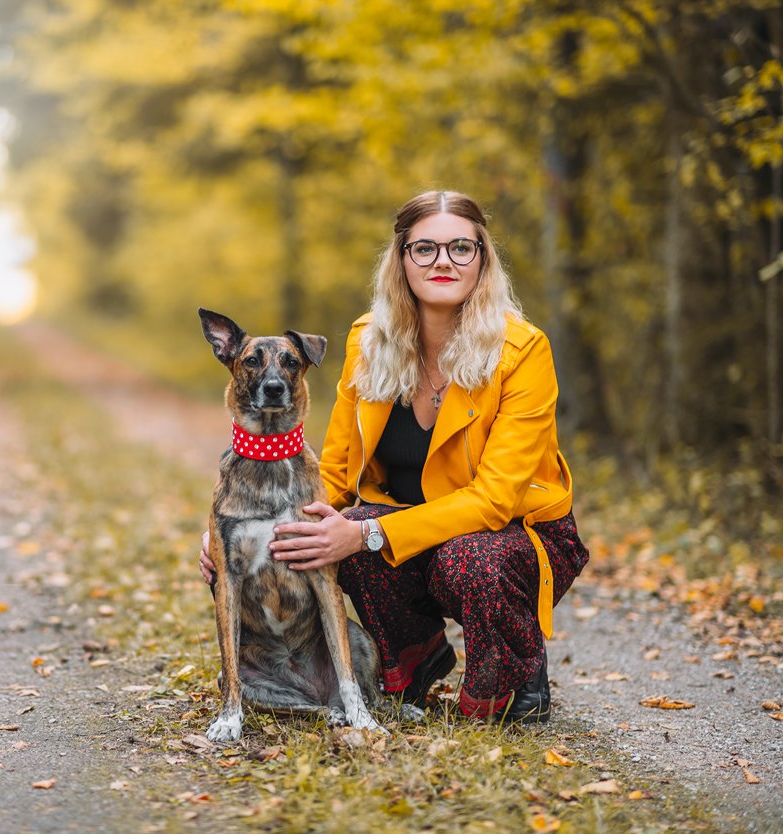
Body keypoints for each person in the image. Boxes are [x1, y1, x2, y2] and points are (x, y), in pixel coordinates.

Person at [199, 189, 589, 723]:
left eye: (461, 248)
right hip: (408, 521)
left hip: (515, 535)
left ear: (483, 259)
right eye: (425, 248)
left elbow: (496, 500)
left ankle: (517, 670)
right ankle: (416, 655)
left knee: (458, 556)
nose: (443, 261)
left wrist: (364, 533)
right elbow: (333, 473)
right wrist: (241, 537)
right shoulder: (369, 341)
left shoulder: (522, 350)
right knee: (334, 529)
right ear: (402, 259)